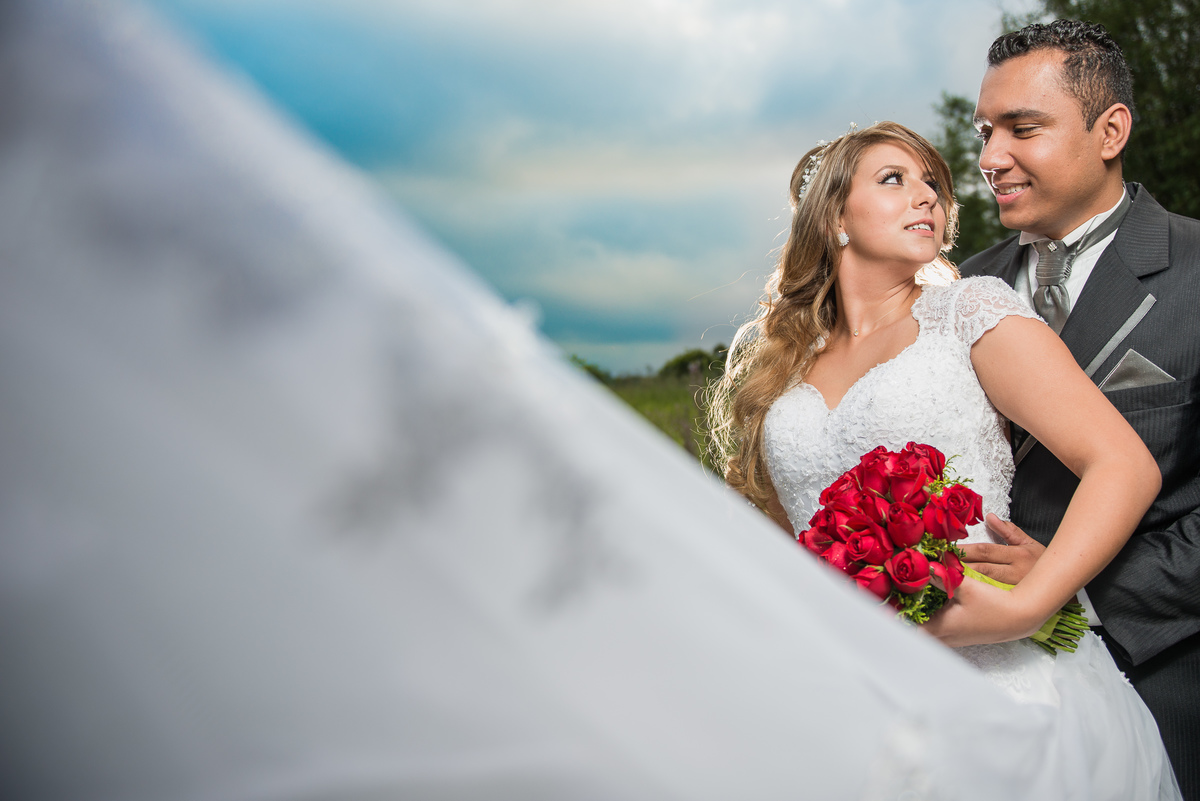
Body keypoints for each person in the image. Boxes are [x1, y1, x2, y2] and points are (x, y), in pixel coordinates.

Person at [708, 120, 1181, 798]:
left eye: (933, 183)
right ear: (836, 215)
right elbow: (790, 538)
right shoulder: (782, 367)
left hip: (1000, 680)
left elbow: (1123, 464)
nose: (927, 196)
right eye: (894, 179)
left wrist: (1032, 605)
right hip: (847, 689)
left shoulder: (969, 310)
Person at [957, 20, 1200, 800]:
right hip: (976, 696)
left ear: (1110, 130)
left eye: (1022, 128)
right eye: (985, 132)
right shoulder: (955, 287)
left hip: (1159, 682)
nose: (992, 158)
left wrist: (1070, 586)